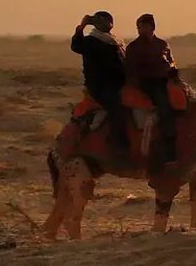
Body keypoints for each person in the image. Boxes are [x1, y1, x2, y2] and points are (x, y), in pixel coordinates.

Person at [124, 13, 180, 168]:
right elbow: (130, 70)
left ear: (151, 26)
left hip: (165, 81)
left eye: (143, 26)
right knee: (166, 110)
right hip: (147, 84)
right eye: (139, 27)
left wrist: (174, 76)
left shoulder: (163, 44)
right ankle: (169, 153)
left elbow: (171, 63)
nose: (140, 30)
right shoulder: (133, 47)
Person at [70, 11, 129, 152]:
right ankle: (117, 145)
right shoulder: (91, 42)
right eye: (101, 21)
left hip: (117, 83)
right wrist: (81, 27)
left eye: (108, 21)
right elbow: (76, 46)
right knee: (117, 109)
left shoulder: (115, 42)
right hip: (101, 86)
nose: (106, 24)